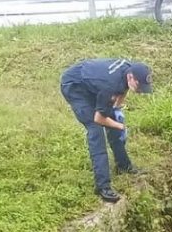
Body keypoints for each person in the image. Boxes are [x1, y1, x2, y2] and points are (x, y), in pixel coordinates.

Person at [60, 58, 153, 203]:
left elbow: (123, 89)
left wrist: (116, 110)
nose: (140, 91)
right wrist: (121, 126)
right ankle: (102, 186)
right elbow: (99, 119)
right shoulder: (109, 85)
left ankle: (124, 166)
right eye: (139, 86)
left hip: (91, 82)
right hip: (74, 86)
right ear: (131, 77)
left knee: (113, 119)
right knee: (95, 130)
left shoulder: (129, 68)